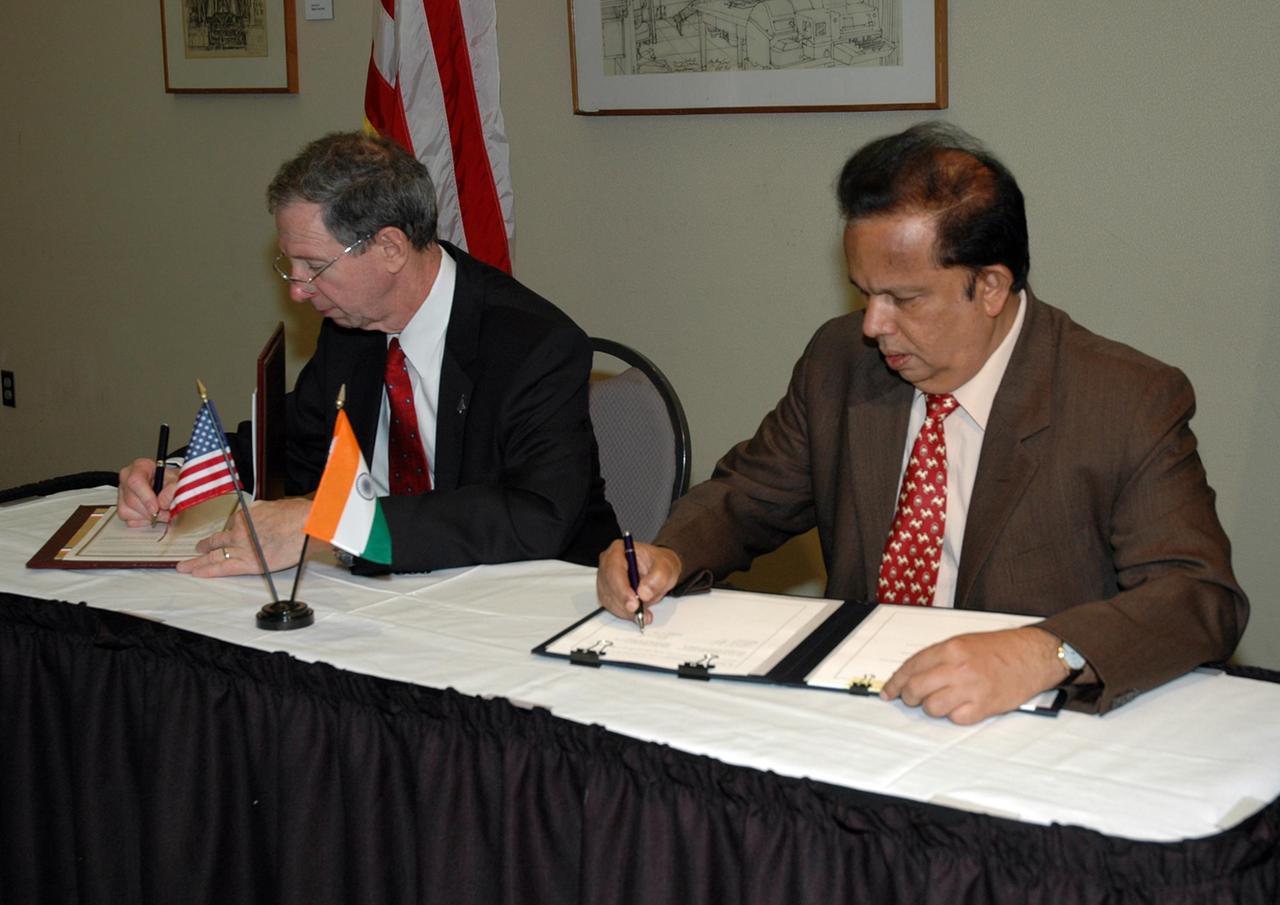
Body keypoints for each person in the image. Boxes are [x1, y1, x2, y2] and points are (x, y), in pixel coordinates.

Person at [597, 122, 1248, 723]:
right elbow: (745, 497)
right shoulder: (841, 361)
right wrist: (666, 554)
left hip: (1025, 730)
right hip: (859, 708)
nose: (874, 326)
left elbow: (1197, 597)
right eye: (864, 293)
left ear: (990, 287)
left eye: (903, 299)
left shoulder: (1124, 399)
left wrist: (1048, 652)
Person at [118, 131, 618, 575]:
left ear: (391, 249)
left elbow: (535, 517)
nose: (297, 289)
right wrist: (183, 472)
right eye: (289, 262)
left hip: (531, 599)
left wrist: (338, 527)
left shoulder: (534, 346)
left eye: (313, 264)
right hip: (384, 594)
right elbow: (293, 443)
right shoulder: (351, 326)